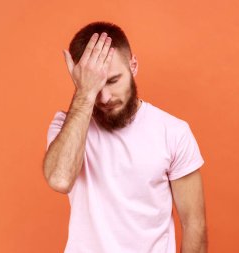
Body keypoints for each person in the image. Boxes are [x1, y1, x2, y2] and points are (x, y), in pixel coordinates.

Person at [42, 21, 208, 253]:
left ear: (134, 66)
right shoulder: (65, 126)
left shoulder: (173, 132)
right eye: (95, 85)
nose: (105, 97)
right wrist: (84, 94)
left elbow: (194, 224)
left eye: (112, 80)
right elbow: (60, 179)